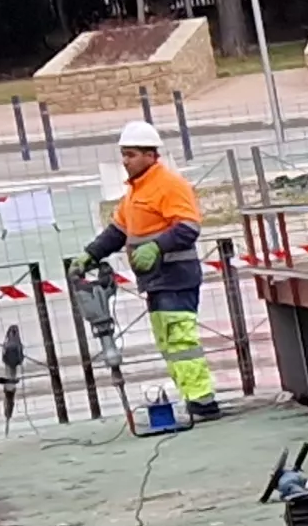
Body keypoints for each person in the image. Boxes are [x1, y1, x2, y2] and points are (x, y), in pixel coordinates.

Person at [84, 119, 216, 419]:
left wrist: (156, 247)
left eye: (130, 154)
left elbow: (187, 227)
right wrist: (90, 255)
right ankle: (192, 398)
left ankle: (202, 401)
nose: (125, 161)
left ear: (149, 155)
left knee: (180, 338)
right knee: (169, 341)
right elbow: (117, 231)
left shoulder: (169, 185)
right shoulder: (134, 193)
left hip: (176, 276)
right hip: (156, 280)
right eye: (124, 154)